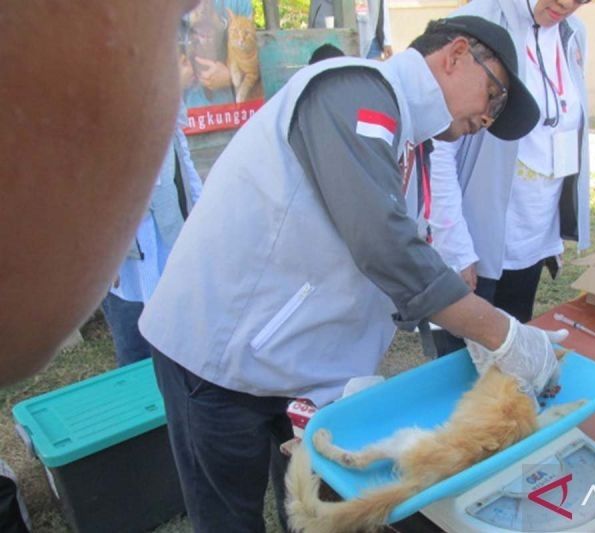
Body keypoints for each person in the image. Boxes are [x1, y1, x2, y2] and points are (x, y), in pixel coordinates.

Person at [137, 16, 566, 533]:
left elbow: (408, 255)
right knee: (228, 518)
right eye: (494, 96)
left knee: (305, 505)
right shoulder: (353, 91)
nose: (488, 119)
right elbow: (385, 242)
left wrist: (469, 329)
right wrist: (501, 333)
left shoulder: (413, 143)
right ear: (455, 55)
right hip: (218, 352)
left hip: (294, 360)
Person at [0, 0, 200, 387]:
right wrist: (106, 255)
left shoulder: (167, 129)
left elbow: (185, 171)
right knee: (133, 339)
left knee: (175, 342)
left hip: (166, 245)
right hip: (128, 267)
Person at [426, 0, 592, 355]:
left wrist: (553, 230)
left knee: (512, 359)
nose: (568, 3)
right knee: (461, 365)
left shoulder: (574, 32)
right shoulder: (471, 25)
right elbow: (436, 147)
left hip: (531, 237)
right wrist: (455, 246)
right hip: (473, 240)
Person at [101, 103, 203, 367]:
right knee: (133, 342)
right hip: (122, 256)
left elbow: (183, 163)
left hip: (169, 237)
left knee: (184, 336)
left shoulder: (162, 103)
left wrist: (202, 218)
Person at [183, 0, 254, 107]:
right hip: (184, 110)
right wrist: (176, 80)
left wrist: (231, 78)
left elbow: (254, 61)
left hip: (233, 109)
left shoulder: (238, 3)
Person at [309, 0, 393, 59]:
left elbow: (382, 4)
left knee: (370, 77)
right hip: (333, 39)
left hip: (370, 38)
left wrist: (387, 40)